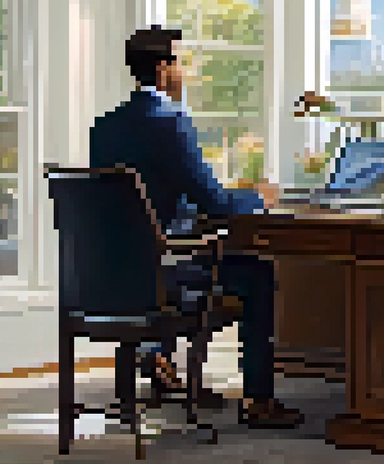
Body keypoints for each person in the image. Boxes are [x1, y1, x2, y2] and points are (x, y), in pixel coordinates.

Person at [89, 25, 304, 428]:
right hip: (160, 275)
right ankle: (258, 401)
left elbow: (141, 196)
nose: (184, 71)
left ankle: (156, 356)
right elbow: (217, 204)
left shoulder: (105, 127)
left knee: (177, 252)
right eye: (179, 62)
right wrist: (259, 196)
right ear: (163, 68)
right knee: (257, 274)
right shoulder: (169, 122)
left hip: (109, 278)